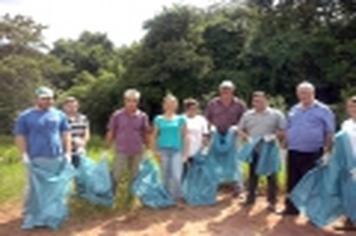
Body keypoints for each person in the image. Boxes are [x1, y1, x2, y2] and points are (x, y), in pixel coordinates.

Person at [14, 86, 72, 229]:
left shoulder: (59, 115)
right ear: (37, 99)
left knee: (55, 188)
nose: (49, 101)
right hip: (36, 158)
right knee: (35, 189)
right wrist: (24, 154)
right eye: (45, 98)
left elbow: (66, 134)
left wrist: (68, 152)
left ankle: (52, 216)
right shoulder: (25, 116)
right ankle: (33, 217)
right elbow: (20, 136)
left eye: (51, 98)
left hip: (56, 157)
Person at [282, 81, 335, 215]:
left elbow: (329, 132)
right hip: (294, 150)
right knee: (292, 180)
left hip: (313, 152)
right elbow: (289, 127)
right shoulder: (294, 109)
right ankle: (292, 208)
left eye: (306, 92)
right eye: (300, 92)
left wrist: (327, 151)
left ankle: (313, 212)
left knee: (313, 183)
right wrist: (285, 141)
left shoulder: (323, 110)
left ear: (313, 93)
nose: (303, 95)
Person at [238, 91, 286, 211]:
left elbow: (283, 129)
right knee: (253, 174)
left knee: (271, 175)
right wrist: (246, 137)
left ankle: (272, 202)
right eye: (255, 101)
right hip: (254, 148)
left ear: (266, 100)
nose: (257, 103)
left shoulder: (276, 114)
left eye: (260, 100)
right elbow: (239, 129)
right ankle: (250, 199)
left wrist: (274, 136)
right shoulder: (247, 115)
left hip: (270, 148)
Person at [106, 89, 150, 206]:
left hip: (138, 151)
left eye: (134, 101)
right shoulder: (117, 115)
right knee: (116, 175)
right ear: (125, 101)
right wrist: (106, 148)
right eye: (129, 100)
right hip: (121, 150)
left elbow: (145, 133)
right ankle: (111, 199)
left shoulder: (143, 116)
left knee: (136, 175)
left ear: (138, 102)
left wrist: (149, 149)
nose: (131, 103)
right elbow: (111, 131)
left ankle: (134, 199)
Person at [205, 80, 246, 196]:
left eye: (228, 90)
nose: (225, 92)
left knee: (236, 161)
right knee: (214, 161)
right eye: (223, 90)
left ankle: (238, 187)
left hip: (233, 136)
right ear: (220, 91)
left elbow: (244, 120)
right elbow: (207, 119)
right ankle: (214, 186)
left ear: (232, 91)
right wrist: (210, 130)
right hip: (216, 135)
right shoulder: (213, 104)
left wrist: (237, 129)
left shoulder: (239, 104)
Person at [152, 94, 187, 201]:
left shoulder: (181, 119)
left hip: (177, 150)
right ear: (164, 105)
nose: (170, 105)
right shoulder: (158, 119)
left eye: (172, 103)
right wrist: (155, 151)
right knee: (165, 175)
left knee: (176, 175)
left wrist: (185, 153)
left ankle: (177, 196)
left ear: (176, 105)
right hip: (163, 150)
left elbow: (184, 137)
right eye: (168, 103)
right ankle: (166, 197)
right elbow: (154, 136)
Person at [63, 97, 90, 168]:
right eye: (69, 106)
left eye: (75, 106)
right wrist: (73, 142)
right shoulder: (61, 118)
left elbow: (87, 133)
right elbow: (61, 134)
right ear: (64, 107)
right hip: (65, 152)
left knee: (80, 173)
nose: (72, 108)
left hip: (80, 151)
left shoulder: (83, 118)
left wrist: (83, 143)